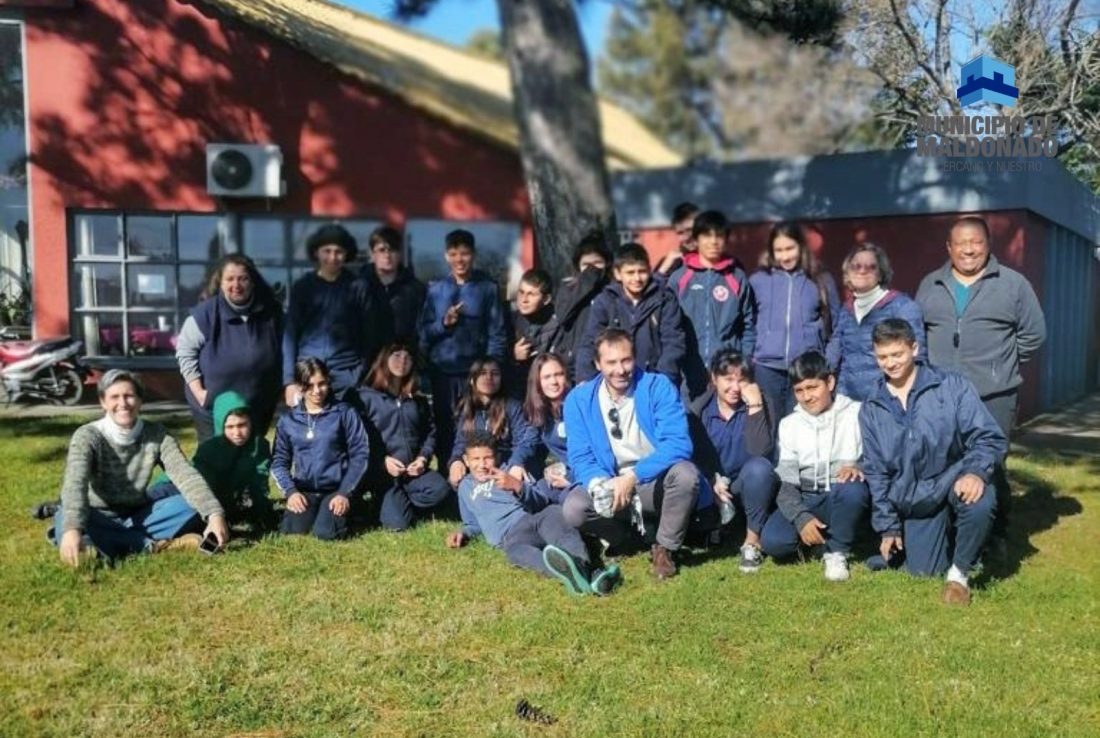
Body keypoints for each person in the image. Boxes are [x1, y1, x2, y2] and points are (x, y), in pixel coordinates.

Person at [916, 215, 1047, 540]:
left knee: (991, 464)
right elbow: (917, 331)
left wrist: (999, 367)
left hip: (994, 396)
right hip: (942, 394)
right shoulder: (930, 284)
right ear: (949, 247)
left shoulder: (1013, 284)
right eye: (961, 243)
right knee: (945, 461)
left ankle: (996, 535)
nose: (969, 250)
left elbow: (1034, 334)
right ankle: (949, 531)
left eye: (976, 242)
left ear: (988, 245)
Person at [859, 319, 1007, 605]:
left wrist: (976, 472)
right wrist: (888, 526)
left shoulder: (951, 386)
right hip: (916, 499)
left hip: (954, 479)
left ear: (914, 349)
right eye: (883, 357)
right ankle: (955, 543)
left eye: (897, 354)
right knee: (923, 571)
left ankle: (959, 575)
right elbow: (876, 471)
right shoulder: (871, 407)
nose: (891, 363)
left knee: (979, 499)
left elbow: (988, 437)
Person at [563, 329, 708, 580]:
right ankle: (625, 537)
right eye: (611, 362)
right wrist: (600, 485)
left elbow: (678, 444)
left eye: (626, 360)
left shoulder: (657, 386)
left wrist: (632, 476)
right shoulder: (578, 400)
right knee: (574, 508)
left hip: (654, 481)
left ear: (635, 358)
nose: (620, 370)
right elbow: (580, 456)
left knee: (686, 475)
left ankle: (665, 548)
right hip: (611, 481)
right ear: (598, 364)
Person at [52, 370, 229, 566]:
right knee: (65, 518)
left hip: (137, 514)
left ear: (139, 400)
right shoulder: (87, 436)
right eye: (114, 397)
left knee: (189, 505)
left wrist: (214, 515)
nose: (123, 403)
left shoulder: (157, 435)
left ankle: (109, 545)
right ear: (103, 402)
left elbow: (186, 476)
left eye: (129, 396)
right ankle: (150, 545)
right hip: (96, 515)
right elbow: (75, 483)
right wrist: (73, 530)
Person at [446, 431, 622, 595]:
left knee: (561, 529)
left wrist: (517, 486)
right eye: (475, 459)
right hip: (511, 536)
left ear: (497, 457)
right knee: (515, 553)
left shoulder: (510, 469)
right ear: (466, 460)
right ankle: (588, 575)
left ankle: (581, 565)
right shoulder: (465, 488)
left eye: (488, 458)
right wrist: (463, 533)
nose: (482, 465)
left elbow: (540, 500)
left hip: (537, 517)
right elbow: (473, 523)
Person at [756, 351, 870, 581]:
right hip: (809, 496)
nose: (807, 397)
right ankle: (821, 538)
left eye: (812, 387)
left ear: (830, 382)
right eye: (799, 390)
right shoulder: (789, 425)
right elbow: (786, 482)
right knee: (774, 542)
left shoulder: (857, 413)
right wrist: (801, 517)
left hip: (841, 493)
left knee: (852, 488)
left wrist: (861, 467)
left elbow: (879, 457)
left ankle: (837, 551)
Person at [419, 228, 508, 466]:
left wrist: (491, 370)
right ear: (447, 256)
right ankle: (446, 476)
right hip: (443, 373)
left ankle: (475, 477)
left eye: (465, 254)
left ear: (474, 255)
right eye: (454, 254)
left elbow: (497, 333)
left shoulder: (487, 288)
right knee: (444, 425)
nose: (460, 259)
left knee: (474, 424)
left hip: (474, 373)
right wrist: (443, 324)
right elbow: (424, 333)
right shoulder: (435, 290)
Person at [687, 349, 778, 572]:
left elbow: (761, 452)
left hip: (747, 485)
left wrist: (755, 406)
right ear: (714, 379)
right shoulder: (699, 412)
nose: (735, 388)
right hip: (713, 485)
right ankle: (713, 526)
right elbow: (690, 456)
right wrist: (710, 482)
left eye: (742, 380)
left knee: (759, 469)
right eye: (728, 379)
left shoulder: (762, 404)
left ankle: (752, 541)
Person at [176, 254, 283, 442]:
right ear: (220, 283)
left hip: (257, 407)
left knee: (251, 460)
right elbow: (185, 352)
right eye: (230, 279)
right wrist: (200, 393)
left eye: (243, 278)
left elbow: (287, 349)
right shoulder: (205, 314)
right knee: (216, 462)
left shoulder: (272, 313)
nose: (237, 285)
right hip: (213, 408)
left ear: (253, 281)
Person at [282, 224, 389, 405]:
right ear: (317, 252)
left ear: (346, 254)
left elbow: (371, 336)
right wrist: (289, 381)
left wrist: (359, 373)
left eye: (339, 251)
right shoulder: (303, 287)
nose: (333, 257)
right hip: (308, 371)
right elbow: (291, 334)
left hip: (346, 374)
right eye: (327, 251)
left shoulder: (358, 287)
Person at [354, 342, 451, 531]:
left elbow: (430, 433)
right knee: (398, 524)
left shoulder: (418, 399)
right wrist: (382, 461)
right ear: (385, 360)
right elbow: (358, 439)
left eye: (408, 357)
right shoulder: (366, 397)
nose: (402, 361)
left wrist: (423, 458)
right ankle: (384, 502)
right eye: (396, 355)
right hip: (382, 474)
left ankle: (399, 501)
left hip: (411, 473)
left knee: (441, 490)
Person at [272, 357, 370, 540]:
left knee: (326, 533)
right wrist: (291, 492)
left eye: (322, 384)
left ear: (328, 381)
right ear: (300, 386)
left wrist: (345, 493)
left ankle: (353, 510)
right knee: (293, 530)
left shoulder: (345, 413)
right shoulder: (288, 421)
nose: (316, 391)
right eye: (309, 385)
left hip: (337, 489)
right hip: (305, 490)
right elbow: (279, 462)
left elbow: (360, 456)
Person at [148, 390, 275, 530]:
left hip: (218, 498)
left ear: (251, 422)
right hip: (180, 486)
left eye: (242, 425)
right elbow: (202, 488)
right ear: (221, 425)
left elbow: (260, 482)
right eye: (230, 427)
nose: (237, 433)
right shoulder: (210, 449)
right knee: (153, 503)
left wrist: (261, 510)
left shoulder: (260, 446)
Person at [750, 222, 840, 416]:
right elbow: (747, 323)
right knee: (770, 431)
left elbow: (838, 328)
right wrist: (751, 360)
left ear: (801, 246)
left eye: (790, 248)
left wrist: (828, 363)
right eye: (779, 250)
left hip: (806, 369)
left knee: (804, 429)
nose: (785, 256)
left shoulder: (820, 279)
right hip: (767, 369)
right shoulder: (759, 280)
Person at [668, 210, 756, 398]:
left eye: (719, 236)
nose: (714, 241)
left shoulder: (737, 278)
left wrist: (744, 361)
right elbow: (668, 325)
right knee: (691, 424)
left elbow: (749, 325)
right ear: (696, 239)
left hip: (728, 373)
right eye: (707, 235)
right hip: (689, 371)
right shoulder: (680, 278)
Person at [575, 242, 687, 385]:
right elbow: (590, 341)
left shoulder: (664, 299)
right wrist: (585, 380)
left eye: (642, 271)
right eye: (630, 272)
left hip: (653, 378)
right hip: (614, 379)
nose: (637, 279)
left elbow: (673, 343)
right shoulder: (605, 301)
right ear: (618, 274)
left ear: (649, 270)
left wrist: (662, 381)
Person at [833, 242, 926, 402]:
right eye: (856, 266)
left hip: (889, 401)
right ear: (847, 272)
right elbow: (836, 349)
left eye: (871, 267)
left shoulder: (902, 307)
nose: (862, 271)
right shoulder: (846, 310)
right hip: (849, 401)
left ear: (881, 273)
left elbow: (918, 358)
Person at [447, 357, 539, 488]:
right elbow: (461, 442)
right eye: (483, 373)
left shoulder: (512, 406)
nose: (489, 377)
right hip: (479, 465)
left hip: (507, 462)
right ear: (473, 380)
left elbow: (526, 439)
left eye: (495, 373)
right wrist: (455, 460)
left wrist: (516, 462)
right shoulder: (467, 408)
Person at [553, 233, 613, 381]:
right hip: (572, 364)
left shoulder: (612, 290)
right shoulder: (569, 289)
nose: (591, 270)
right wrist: (587, 281)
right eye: (586, 265)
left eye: (597, 263)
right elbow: (563, 316)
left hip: (606, 362)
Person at [523, 352, 576, 503]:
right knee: (534, 491)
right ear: (537, 382)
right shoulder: (538, 411)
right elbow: (528, 442)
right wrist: (516, 464)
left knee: (568, 499)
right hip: (562, 475)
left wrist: (571, 479)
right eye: (547, 377)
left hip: (583, 475)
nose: (554, 381)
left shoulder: (578, 403)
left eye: (558, 374)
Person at [360, 225, 425, 344]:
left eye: (392, 250)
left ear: (400, 254)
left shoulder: (415, 289)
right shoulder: (358, 287)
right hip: (364, 358)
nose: (387, 255)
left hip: (403, 356)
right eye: (382, 250)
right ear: (372, 254)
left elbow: (422, 331)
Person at [507, 268, 559, 397]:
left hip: (545, 389)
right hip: (513, 389)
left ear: (546, 299)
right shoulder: (507, 316)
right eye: (521, 292)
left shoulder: (557, 322)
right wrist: (513, 355)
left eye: (531, 294)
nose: (524, 299)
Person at [656, 201, 701, 275]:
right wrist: (663, 269)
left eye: (689, 230)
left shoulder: (717, 259)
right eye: (680, 233)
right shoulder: (672, 262)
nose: (686, 238)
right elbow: (651, 286)